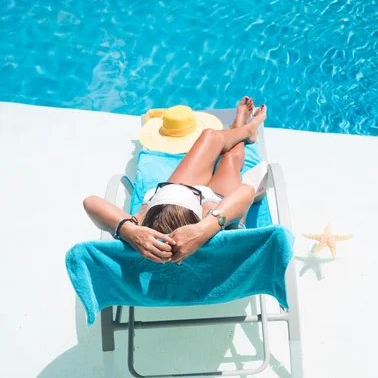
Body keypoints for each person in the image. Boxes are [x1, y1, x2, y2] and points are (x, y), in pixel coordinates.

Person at [83, 98, 267, 265]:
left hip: (180, 205)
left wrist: (128, 231)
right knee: (230, 159)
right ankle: (244, 128)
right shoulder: (207, 216)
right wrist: (205, 228)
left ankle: (242, 129)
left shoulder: (139, 228)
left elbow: (90, 202)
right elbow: (246, 191)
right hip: (218, 201)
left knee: (210, 136)